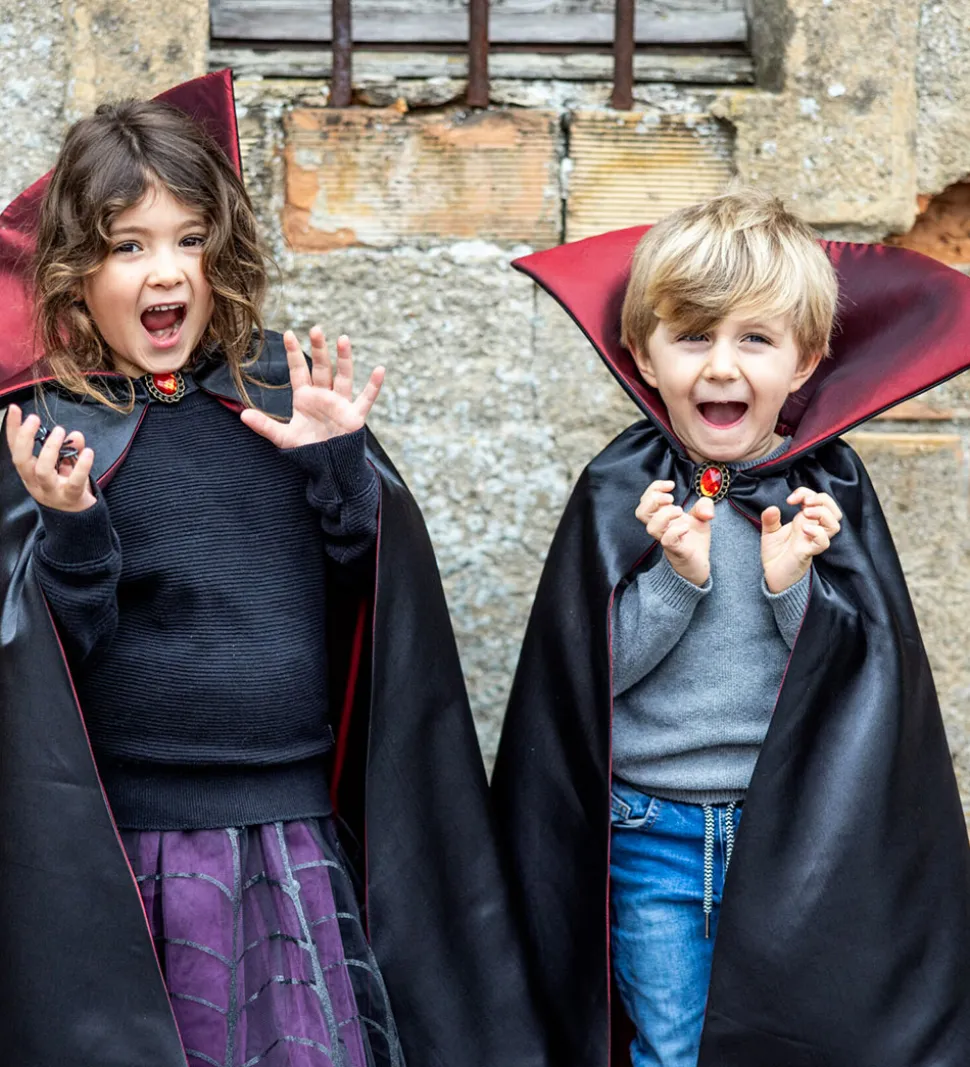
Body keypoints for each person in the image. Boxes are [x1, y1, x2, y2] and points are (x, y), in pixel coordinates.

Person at [0, 71, 546, 1067]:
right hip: (137, 852)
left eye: (189, 238)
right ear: (76, 272)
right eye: (129, 246)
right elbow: (42, 673)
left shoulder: (279, 398)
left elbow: (370, 613)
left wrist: (340, 470)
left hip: (292, 831)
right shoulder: (51, 438)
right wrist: (70, 525)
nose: (166, 271)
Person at [492, 189, 970, 1067]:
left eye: (754, 339)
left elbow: (858, 684)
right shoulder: (625, 489)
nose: (721, 366)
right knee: (672, 1047)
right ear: (644, 354)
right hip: (650, 835)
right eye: (693, 336)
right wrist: (676, 579)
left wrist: (793, 590)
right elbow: (592, 675)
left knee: (794, 1044)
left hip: (794, 835)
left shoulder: (825, 495)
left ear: (805, 361)